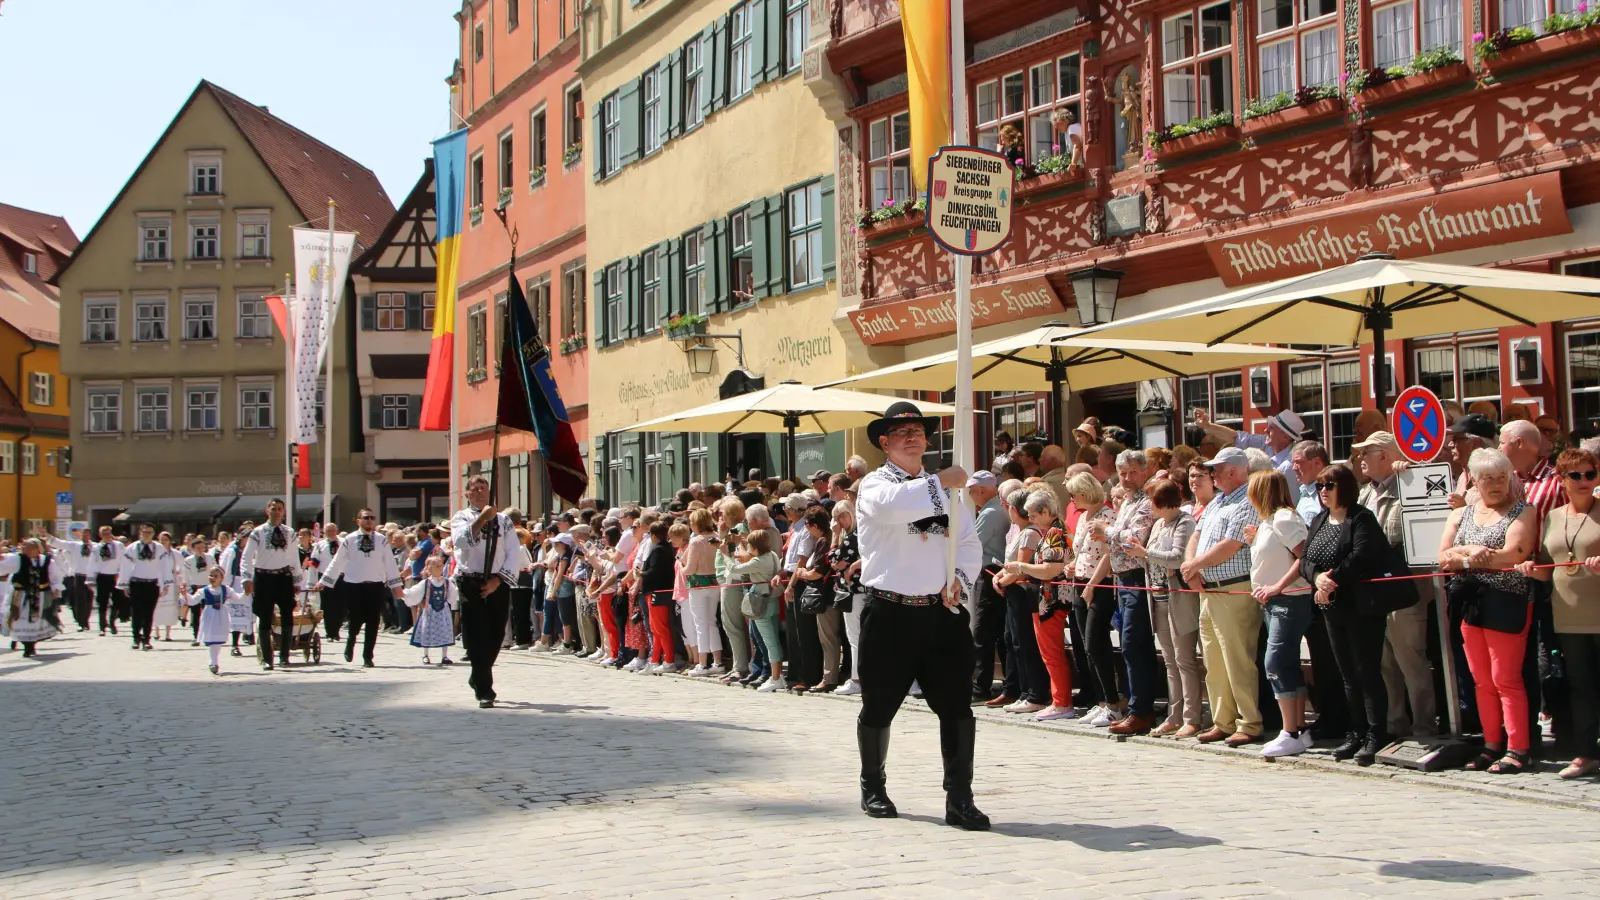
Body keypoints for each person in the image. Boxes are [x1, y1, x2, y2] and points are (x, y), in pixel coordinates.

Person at [855, 401, 987, 831]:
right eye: (901, 431)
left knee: (957, 708)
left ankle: (960, 798)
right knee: (879, 706)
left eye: (918, 430)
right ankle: (873, 784)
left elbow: (966, 541)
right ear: (884, 442)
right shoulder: (876, 485)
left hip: (939, 613)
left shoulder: (946, 491)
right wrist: (940, 481)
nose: (912, 436)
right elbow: (895, 508)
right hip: (890, 612)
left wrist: (961, 582)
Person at [1439, 448, 1537, 774]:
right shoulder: (1461, 514)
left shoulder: (1524, 511)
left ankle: (1518, 748)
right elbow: (1443, 557)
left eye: (1501, 477)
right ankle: (1491, 744)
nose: (1495, 484)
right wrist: (1471, 554)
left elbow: (1513, 554)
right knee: (1482, 681)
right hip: (1470, 601)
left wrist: (1466, 556)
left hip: (1506, 599)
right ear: (1475, 482)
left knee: (1505, 679)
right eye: (1487, 478)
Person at [1303, 463, 1396, 765]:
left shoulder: (1361, 518)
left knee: (1367, 671)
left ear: (1344, 487)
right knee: (1347, 674)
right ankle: (1355, 731)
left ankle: (1375, 732)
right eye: (1320, 486)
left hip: (1361, 606)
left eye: (1329, 486)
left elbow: (1361, 556)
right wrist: (1318, 579)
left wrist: (1331, 582)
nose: (1323, 492)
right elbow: (1305, 559)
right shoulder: (1319, 519)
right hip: (1332, 607)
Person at [1516, 447, 1600, 779]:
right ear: (1561, 480)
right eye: (1575, 475)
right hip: (1567, 615)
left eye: (1590, 474)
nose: (1584, 481)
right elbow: (1549, 569)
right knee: (1580, 686)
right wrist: (1530, 569)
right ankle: (1586, 754)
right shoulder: (1552, 516)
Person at [1356, 431, 1439, 741]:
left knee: (1411, 660)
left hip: (1405, 590)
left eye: (1367, 452)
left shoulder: (1411, 485)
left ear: (1386, 456)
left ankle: (1424, 727)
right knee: (1385, 663)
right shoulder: (1365, 494)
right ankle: (1394, 726)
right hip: (1374, 591)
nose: (1361, 458)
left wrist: (1413, 472)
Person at [1183, 448, 1263, 746]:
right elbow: (1196, 535)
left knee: (1238, 659)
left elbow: (1232, 544)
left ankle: (1249, 722)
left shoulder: (1248, 499)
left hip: (1234, 587)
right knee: (1214, 661)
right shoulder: (1217, 501)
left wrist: (1194, 566)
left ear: (1233, 471)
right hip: (1209, 589)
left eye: (1216, 469)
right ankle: (1223, 720)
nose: (1212, 474)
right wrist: (1190, 567)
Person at [1245, 470, 1314, 758]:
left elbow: (1304, 555)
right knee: (1285, 664)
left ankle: (1289, 731)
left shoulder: (1284, 518)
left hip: (1289, 600)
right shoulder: (1269, 522)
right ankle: (1297, 728)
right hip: (1274, 602)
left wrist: (1276, 586)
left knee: (1274, 662)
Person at [1126, 478, 1203, 737]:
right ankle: (1175, 715)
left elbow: (1179, 558)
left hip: (1178, 599)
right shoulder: (1159, 523)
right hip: (1157, 599)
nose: (1149, 505)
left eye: (1152, 500)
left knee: (1185, 660)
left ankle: (1192, 717)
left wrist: (1145, 554)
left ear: (1163, 501)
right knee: (1170, 661)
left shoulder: (1185, 522)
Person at [999, 488, 1076, 721]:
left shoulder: (1054, 532)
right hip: (1045, 597)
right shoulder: (1052, 530)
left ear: (1044, 511)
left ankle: (1062, 702)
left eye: (1033, 515)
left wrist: (1021, 567)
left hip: (1050, 599)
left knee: (1051, 652)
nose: (1030, 519)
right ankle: (1059, 699)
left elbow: (1051, 569)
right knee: (1049, 652)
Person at [449, 476, 520, 707]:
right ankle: (484, 690)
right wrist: (482, 518)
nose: (479, 492)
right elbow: (461, 542)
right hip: (471, 581)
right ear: (467, 494)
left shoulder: (504, 521)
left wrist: (498, 580)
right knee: (477, 635)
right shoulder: (461, 517)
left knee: (496, 634)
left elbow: (513, 551)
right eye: (474, 489)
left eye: (483, 488)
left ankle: (478, 674)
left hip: (497, 581)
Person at [1106, 450, 1159, 736]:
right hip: (1121, 580)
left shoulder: (1147, 501)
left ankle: (1142, 710)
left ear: (1144, 471)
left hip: (1138, 578)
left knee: (1134, 643)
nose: (1126, 478)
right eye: (1122, 473)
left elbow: (1133, 538)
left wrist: (1108, 531)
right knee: (1129, 644)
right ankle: (1138, 706)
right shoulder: (1126, 502)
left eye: (1131, 472)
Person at [1067, 471, 1122, 727]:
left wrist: (1091, 584)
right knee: (1086, 646)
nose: (1072, 499)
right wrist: (1072, 567)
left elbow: (1108, 555)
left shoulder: (1108, 516)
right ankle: (1101, 702)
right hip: (1079, 581)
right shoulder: (1082, 518)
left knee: (1096, 643)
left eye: (1074, 494)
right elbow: (1080, 550)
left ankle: (1113, 702)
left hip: (1098, 585)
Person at [240, 500, 306, 671]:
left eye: (279, 509)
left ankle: (284, 656)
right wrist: (246, 579)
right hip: (263, 577)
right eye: (273, 509)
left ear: (283, 511)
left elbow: (294, 559)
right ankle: (268, 659)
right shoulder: (258, 532)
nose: (276, 512)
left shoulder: (290, 532)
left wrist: (297, 580)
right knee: (264, 616)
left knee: (287, 615)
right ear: (267, 510)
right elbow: (246, 557)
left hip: (283, 577)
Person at [967, 470, 1009, 702]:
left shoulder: (991, 512)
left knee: (983, 632)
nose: (971, 496)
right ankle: (1006, 684)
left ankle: (980, 686)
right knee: (998, 632)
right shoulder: (996, 509)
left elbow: (973, 542)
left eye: (971, 491)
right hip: (996, 573)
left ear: (981, 490)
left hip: (990, 573)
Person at [730, 528, 784, 691]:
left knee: (770, 643)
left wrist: (729, 553)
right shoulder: (772, 555)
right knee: (774, 640)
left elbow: (734, 570)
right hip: (773, 601)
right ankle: (777, 676)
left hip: (761, 604)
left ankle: (775, 678)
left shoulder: (757, 561)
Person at [116, 522, 175, 651]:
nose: (147, 535)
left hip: (152, 584)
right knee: (137, 612)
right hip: (136, 583)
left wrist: (166, 584)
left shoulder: (159, 548)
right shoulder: (132, 548)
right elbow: (125, 566)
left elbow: (165, 567)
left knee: (149, 613)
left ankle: (147, 639)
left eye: (149, 532)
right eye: (144, 532)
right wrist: (124, 584)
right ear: (140, 533)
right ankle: (136, 638)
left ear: (153, 534)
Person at [2, 539, 63, 658]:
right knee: (21, 620)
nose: (24, 549)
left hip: (40, 595)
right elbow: (4, 566)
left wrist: (56, 587)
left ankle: (31, 644)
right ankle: (27, 645)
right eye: (24, 547)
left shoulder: (46, 561)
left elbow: (55, 576)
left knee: (36, 621)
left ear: (37, 549)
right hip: (21, 595)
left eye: (28, 547)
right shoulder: (18, 558)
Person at [683, 509, 725, 677]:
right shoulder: (716, 537)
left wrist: (681, 566)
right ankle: (718, 661)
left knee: (701, 624)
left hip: (698, 584)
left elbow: (690, 568)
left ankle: (702, 663)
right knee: (711, 622)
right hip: (714, 583)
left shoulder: (696, 541)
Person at [829, 500, 864, 696]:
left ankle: (856, 679)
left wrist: (834, 536)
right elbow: (836, 563)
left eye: (843, 515)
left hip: (855, 592)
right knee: (856, 637)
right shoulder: (855, 536)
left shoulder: (852, 538)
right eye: (837, 517)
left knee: (854, 637)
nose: (841, 520)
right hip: (858, 591)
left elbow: (833, 560)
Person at [405, 556, 458, 666]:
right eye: (437, 566)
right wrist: (405, 593)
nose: (440, 568)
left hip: (443, 611)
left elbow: (452, 596)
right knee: (427, 630)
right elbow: (415, 592)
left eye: (441, 566)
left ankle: (444, 655)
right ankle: (426, 654)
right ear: (430, 569)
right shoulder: (426, 582)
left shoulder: (447, 582)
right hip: (430, 611)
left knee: (444, 630)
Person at [186, 566, 241, 675]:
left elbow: (238, 598)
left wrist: (247, 593)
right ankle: (213, 662)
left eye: (216, 576)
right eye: (211, 575)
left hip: (221, 615)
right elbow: (192, 601)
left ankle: (214, 660)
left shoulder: (226, 589)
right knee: (212, 639)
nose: (213, 578)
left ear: (221, 577)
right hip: (209, 615)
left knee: (218, 639)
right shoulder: (204, 590)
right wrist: (184, 594)